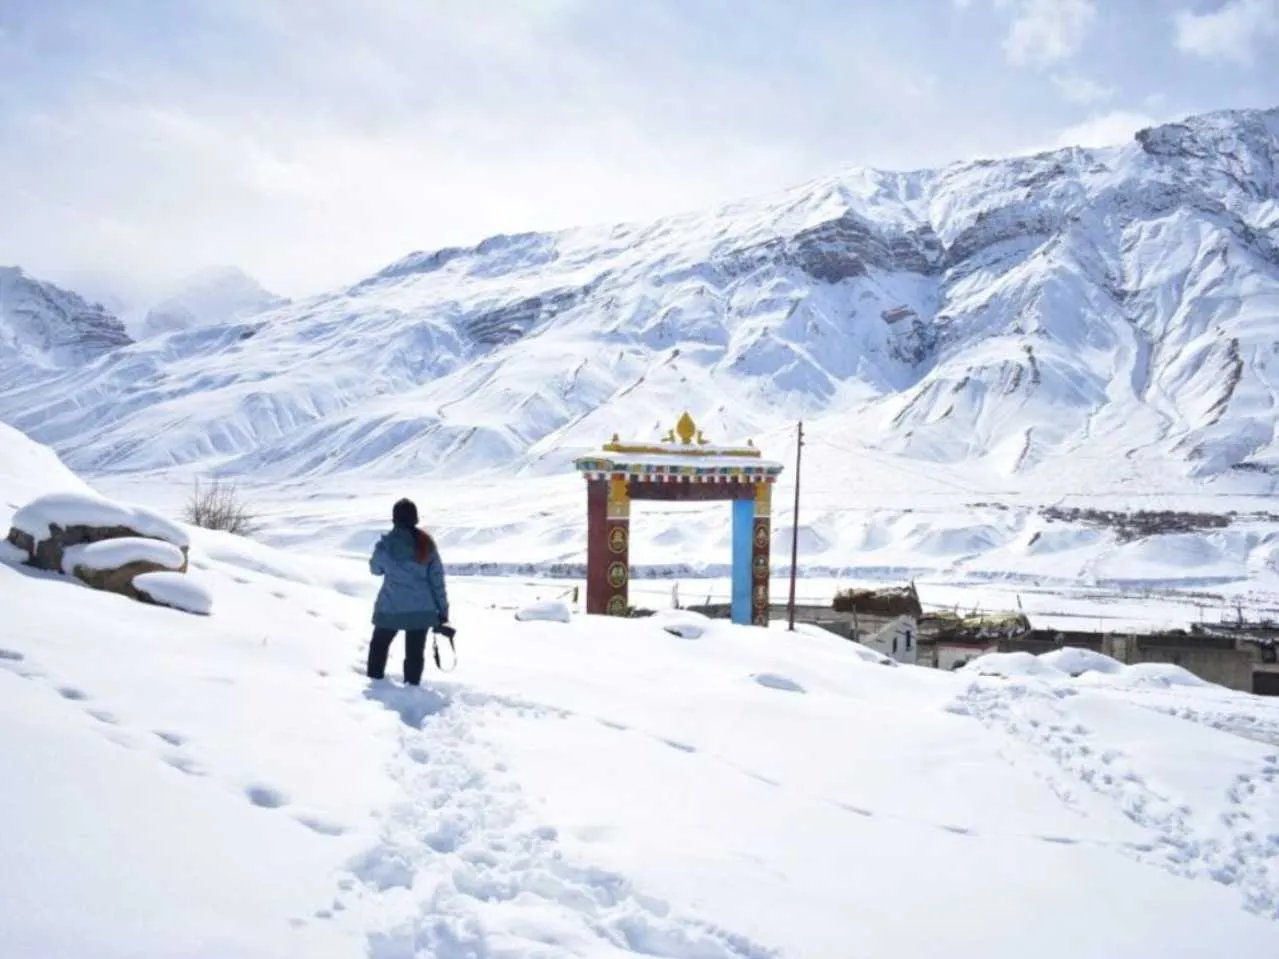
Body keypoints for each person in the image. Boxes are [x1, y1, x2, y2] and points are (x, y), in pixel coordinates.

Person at [367, 498, 450, 685]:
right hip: (422, 610)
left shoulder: (385, 545)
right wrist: (443, 611)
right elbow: (437, 581)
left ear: (394, 519)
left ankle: (375, 683)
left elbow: (375, 570)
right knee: (414, 654)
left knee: (379, 646)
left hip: (390, 607)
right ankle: (412, 689)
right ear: (415, 518)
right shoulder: (426, 544)